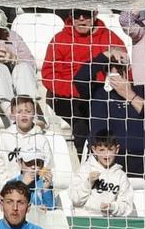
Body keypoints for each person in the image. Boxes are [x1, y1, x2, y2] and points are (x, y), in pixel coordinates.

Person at [81, 46, 145, 204]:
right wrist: (105, 55)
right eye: (109, 68)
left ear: (127, 70)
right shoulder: (97, 93)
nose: (115, 72)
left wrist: (128, 94)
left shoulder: (141, 91)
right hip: (107, 157)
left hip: (142, 156)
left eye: (119, 68)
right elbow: (79, 79)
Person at [42, 8, 121, 152]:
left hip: (101, 94)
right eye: (77, 15)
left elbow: (124, 70)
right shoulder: (60, 39)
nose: (82, 18)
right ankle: (86, 164)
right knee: (82, 123)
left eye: (87, 14)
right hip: (68, 96)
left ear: (95, 15)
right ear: (71, 16)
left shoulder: (109, 37)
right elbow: (49, 76)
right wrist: (75, 90)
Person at [69, 130, 135, 217]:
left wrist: (113, 207)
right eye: (102, 150)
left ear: (117, 149)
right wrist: (88, 183)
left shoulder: (120, 175)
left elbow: (127, 206)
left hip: (110, 222)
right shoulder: (85, 169)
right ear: (94, 150)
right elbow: (75, 199)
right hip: (86, 219)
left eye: (110, 150)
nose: (106, 155)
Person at [0, 95, 51, 184]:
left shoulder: (41, 139)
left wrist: (39, 183)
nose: (24, 115)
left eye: (28, 111)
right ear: (12, 115)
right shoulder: (4, 138)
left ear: (34, 114)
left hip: (35, 189)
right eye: (19, 112)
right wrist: (6, 187)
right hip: (11, 190)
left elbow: (48, 165)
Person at [9, 141, 55, 209]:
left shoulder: (44, 182)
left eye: (38, 163)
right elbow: (9, 207)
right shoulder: (11, 183)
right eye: (29, 163)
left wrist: (46, 189)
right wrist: (22, 185)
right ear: (20, 163)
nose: (33, 167)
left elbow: (52, 210)